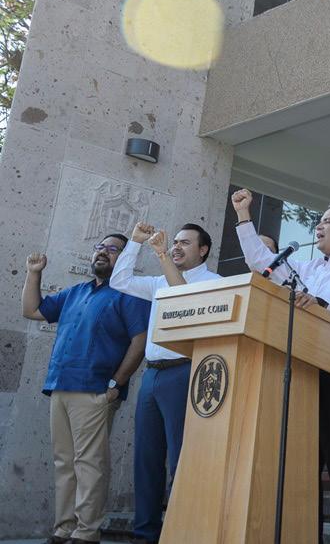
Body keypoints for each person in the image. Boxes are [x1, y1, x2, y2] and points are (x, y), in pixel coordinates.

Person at [231, 189, 330, 544]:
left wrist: (319, 302)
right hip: (300, 363)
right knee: (303, 456)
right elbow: (261, 262)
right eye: (319, 221)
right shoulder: (306, 267)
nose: (319, 226)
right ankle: (304, 535)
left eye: (327, 221)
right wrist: (243, 215)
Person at [22, 234, 150, 544]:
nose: (103, 252)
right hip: (60, 386)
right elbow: (32, 310)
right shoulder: (75, 292)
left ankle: (86, 532)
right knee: (64, 462)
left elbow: (140, 340)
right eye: (100, 247)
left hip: (95, 389)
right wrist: (34, 273)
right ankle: (64, 528)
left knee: (89, 463)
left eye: (113, 249)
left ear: (125, 258)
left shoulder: (130, 294)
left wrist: (116, 383)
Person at [108, 222, 221, 544]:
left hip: (185, 372)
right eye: (175, 242)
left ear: (203, 250)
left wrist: (161, 255)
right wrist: (135, 242)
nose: (176, 247)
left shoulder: (214, 282)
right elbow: (119, 280)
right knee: (147, 457)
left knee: (181, 456)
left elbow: (182, 297)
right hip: (152, 374)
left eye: (185, 243)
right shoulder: (157, 281)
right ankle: (145, 534)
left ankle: (179, 532)